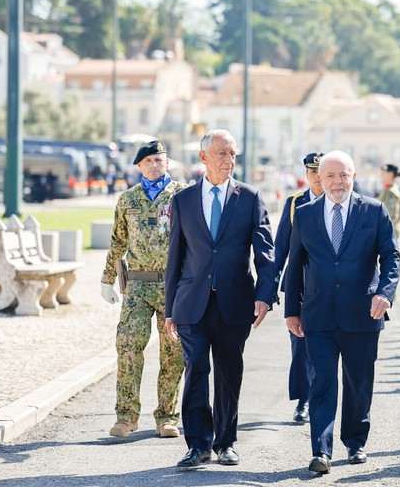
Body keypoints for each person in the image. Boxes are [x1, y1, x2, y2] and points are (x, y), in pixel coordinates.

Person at [164, 129, 277, 468]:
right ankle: (198, 444)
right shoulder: (182, 200)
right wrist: (170, 309)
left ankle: (226, 442)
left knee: (228, 373)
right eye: (221, 154)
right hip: (191, 304)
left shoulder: (251, 197)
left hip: (234, 303)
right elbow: (175, 257)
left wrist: (265, 296)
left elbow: (266, 254)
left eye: (232, 154)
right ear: (203, 158)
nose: (229, 160)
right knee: (196, 368)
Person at [284, 150, 400, 474]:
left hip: (363, 313)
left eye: (344, 175)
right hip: (318, 315)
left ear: (353, 177)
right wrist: (292, 310)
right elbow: (295, 265)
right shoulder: (305, 214)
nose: (338, 182)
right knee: (322, 382)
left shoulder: (374, 211)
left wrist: (384, 294)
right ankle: (321, 451)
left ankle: (355, 442)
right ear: (319, 179)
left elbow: (391, 256)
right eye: (331, 176)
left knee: (358, 382)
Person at [100, 139, 185, 440]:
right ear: (138, 166)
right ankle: (126, 416)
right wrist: (107, 278)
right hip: (136, 284)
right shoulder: (127, 200)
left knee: (173, 352)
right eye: (147, 161)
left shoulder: (182, 196)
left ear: (167, 163)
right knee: (128, 346)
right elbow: (117, 241)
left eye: (158, 160)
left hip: (172, 285)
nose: (153, 165)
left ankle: (166, 416)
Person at [274, 152, 324, 423]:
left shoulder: (336, 200)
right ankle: (304, 400)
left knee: (325, 345)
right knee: (300, 345)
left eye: (321, 170)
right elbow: (280, 248)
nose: (317, 176)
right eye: (312, 171)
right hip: (301, 285)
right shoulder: (294, 203)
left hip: (328, 286)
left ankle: (322, 396)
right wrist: (270, 285)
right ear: (306, 174)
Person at [379, 163, 400, 237]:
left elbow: (393, 216)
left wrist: (384, 232)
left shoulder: (391, 192)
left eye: (383, 174)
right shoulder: (388, 189)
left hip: (388, 232)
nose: (381, 176)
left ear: (390, 174)